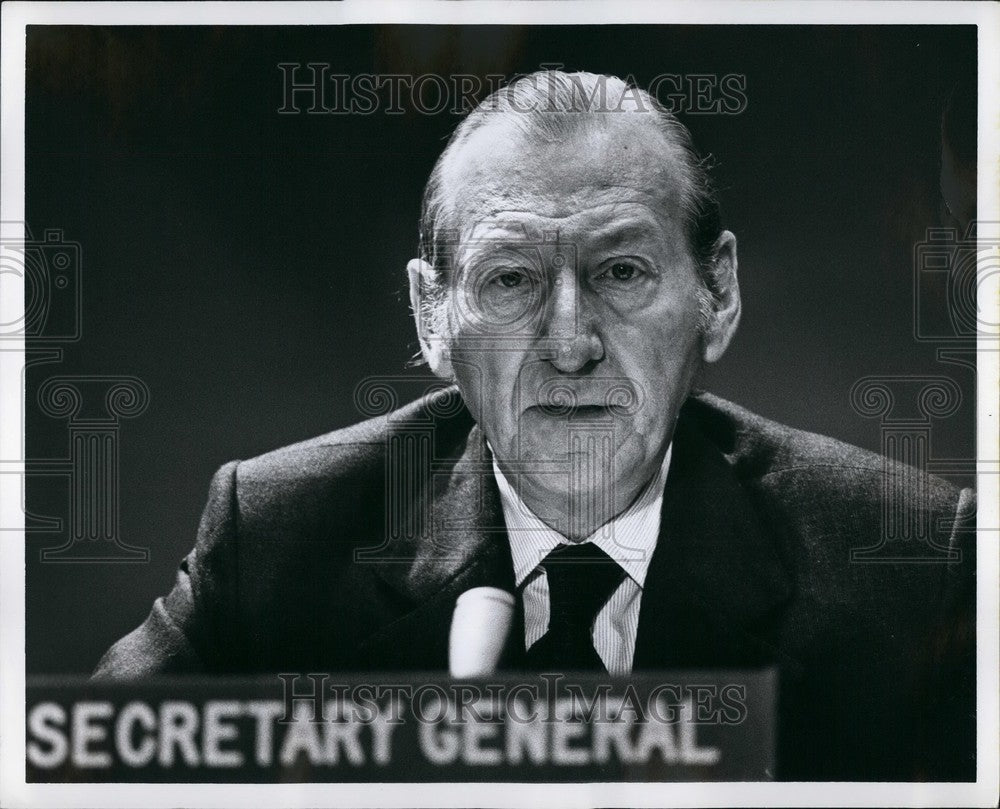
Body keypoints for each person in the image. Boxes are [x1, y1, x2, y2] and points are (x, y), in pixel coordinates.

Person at [93, 71, 975, 780]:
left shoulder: (913, 563)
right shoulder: (275, 539)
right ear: (431, 316)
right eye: (511, 280)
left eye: (622, 271)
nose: (570, 345)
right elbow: (72, 778)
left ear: (718, 292)